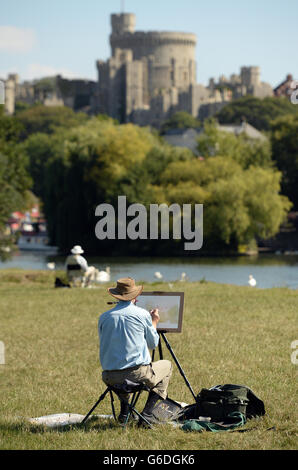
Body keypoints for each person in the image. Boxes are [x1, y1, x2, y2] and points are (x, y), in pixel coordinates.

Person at [98, 277, 173, 424]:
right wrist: (154, 322)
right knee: (168, 365)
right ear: (135, 296)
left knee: (124, 369)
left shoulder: (104, 317)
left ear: (116, 296)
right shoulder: (142, 314)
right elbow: (153, 344)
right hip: (136, 376)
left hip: (109, 377)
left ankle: (124, 414)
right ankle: (147, 415)